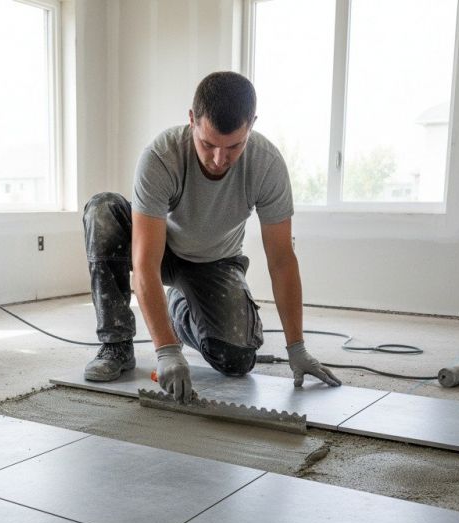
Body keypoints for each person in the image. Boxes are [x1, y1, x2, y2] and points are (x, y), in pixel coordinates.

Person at [82, 70, 340, 402]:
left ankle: (179, 305)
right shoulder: (162, 157)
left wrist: (297, 347)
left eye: (234, 146)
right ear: (192, 119)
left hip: (215, 261)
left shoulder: (266, 164)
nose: (220, 159)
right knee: (102, 210)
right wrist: (166, 350)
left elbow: (281, 260)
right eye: (208, 144)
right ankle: (115, 345)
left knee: (237, 359)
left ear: (252, 124)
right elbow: (144, 264)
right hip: (162, 251)